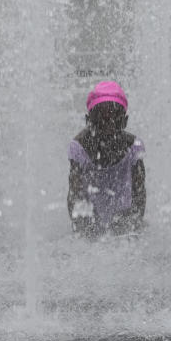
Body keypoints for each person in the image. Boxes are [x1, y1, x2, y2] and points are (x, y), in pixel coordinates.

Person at [67, 80, 145, 238]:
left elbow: (140, 195)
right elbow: (74, 196)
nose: (108, 125)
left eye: (114, 118)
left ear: (124, 121)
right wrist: (83, 229)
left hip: (124, 216)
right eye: (100, 118)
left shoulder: (133, 147)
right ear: (89, 120)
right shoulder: (80, 147)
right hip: (91, 217)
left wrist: (133, 223)